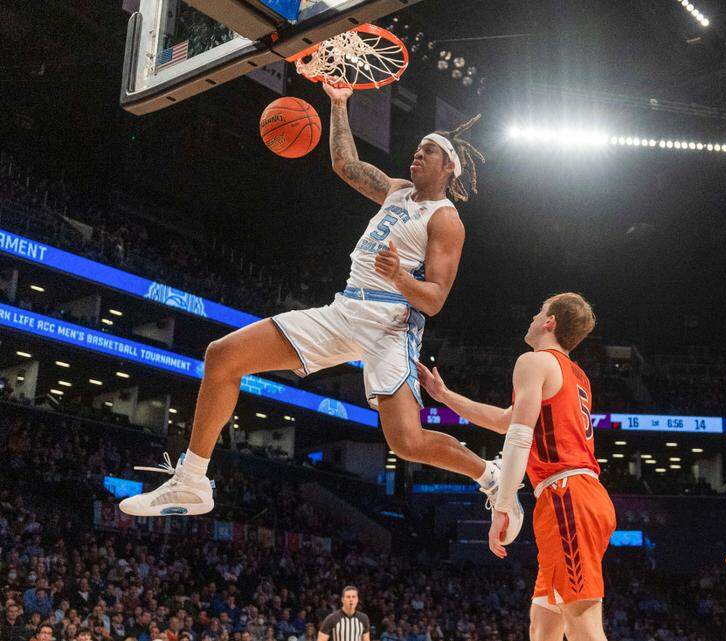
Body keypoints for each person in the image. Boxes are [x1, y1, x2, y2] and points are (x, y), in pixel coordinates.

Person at [120, 82, 510, 524]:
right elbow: (346, 165)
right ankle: (192, 481)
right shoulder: (397, 190)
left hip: (389, 324)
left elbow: (435, 299)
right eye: (418, 148)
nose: (417, 154)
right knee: (222, 356)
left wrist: (400, 276)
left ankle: (489, 475)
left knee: (407, 442)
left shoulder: (446, 220)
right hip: (345, 310)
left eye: (429, 151)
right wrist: (339, 103)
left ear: (449, 167)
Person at [418, 293, 615, 641]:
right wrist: (445, 396)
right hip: (579, 497)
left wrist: (503, 504)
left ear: (550, 322)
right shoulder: (576, 375)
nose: (532, 317)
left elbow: (519, 438)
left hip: (567, 496)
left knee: (583, 628)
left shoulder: (534, 361)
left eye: (538, 311)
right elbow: (505, 421)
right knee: (543, 626)